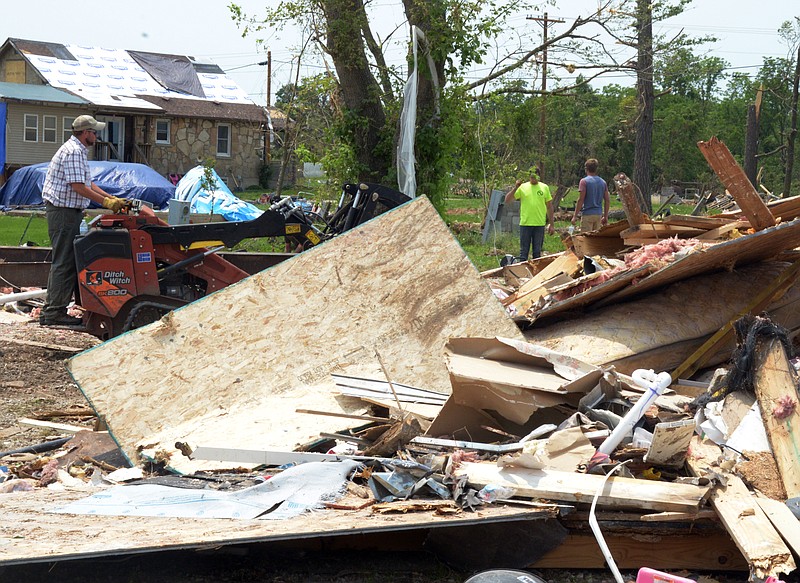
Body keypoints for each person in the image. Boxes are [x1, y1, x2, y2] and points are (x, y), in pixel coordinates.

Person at [39, 115, 130, 327]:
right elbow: (78, 187)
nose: (97, 136)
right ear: (86, 132)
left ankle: (51, 310)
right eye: (94, 132)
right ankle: (54, 312)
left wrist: (112, 199)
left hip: (68, 211)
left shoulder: (77, 151)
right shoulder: (72, 152)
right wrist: (107, 203)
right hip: (64, 212)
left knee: (65, 260)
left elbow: (88, 183)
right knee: (65, 261)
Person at [504, 166, 555, 261]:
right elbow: (507, 200)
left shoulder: (544, 187)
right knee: (523, 252)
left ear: (539, 176)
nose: (533, 178)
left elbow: (549, 206)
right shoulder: (522, 187)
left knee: (537, 252)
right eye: (531, 176)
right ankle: (522, 272)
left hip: (539, 224)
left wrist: (551, 224)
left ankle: (536, 273)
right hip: (525, 224)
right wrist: (515, 188)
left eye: (535, 176)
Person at [572, 158, 610, 232]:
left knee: (586, 238)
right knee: (595, 239)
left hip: (587, 214)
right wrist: (605, 216)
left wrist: (575, 216)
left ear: (586, 169)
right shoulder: (603, 182)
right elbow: (607, 200)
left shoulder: (584, 181)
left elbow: (581, 199)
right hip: (598, 214)